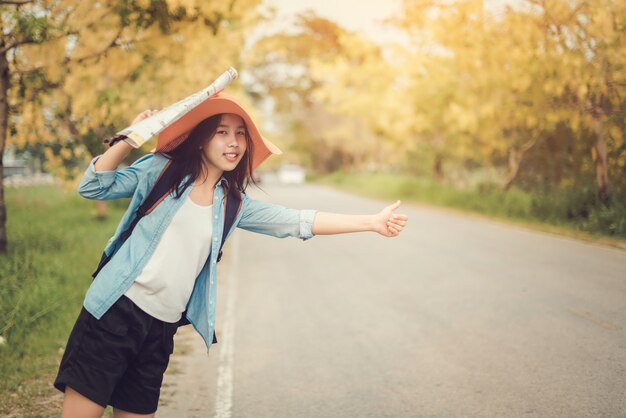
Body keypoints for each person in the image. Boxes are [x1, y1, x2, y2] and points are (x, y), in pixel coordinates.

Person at [54, 93, 408, 418]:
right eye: (222, 132)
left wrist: (371, 222)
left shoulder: (233, 203)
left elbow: (299, 221)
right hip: (114, 312)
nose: (234, 142)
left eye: (240, 134)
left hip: (159, 330)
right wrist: (130, 137)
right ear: (202, 137)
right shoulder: (161, 170)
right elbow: (93, 186)